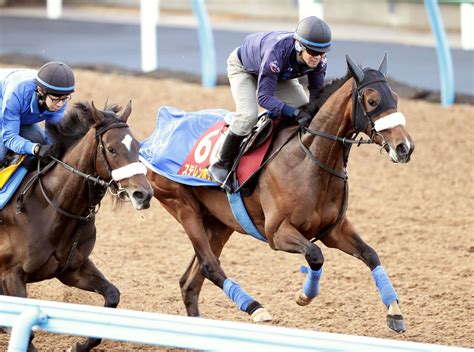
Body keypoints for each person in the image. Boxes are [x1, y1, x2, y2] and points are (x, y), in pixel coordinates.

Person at [208, 16, 332, 188]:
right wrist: (293, 113)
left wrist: (310, 113)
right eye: (312, 52)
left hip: (279, 74)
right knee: (248, 116)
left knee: (305, 109)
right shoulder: (276, 53)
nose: (317, 57)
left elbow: (316, 93)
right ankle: (221, 163)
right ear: (299, 46)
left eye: (322, 53)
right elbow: (264, 98)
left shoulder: (319, 60)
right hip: (244, 69)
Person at [0, 61, 75, 164]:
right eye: (55, 100)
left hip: (20, 112)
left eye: (64, 99)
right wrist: (35, 149)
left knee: (39, 143)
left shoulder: (59, 100)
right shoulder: (16, 94)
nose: (60, 105)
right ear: (40, 91)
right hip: (6, 101)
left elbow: (52, 137)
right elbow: (9, 137)